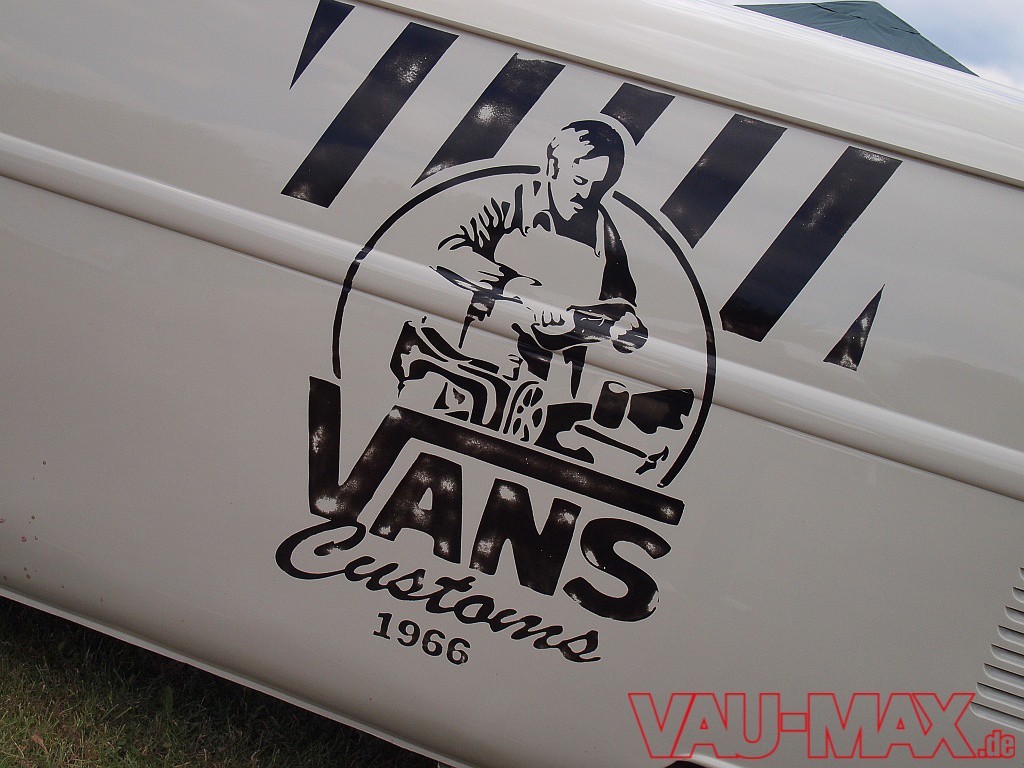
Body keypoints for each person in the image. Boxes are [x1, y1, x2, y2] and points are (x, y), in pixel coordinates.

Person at [435, 119, 648, 395]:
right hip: (482, 359)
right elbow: (449, 250)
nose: (586, 194)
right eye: (580, 180)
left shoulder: (606, 233)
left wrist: (624, 321)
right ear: (552, 166)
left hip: (555, 378)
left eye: (599, 186)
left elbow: (622, 299)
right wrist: (511, 286)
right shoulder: (508, 200)